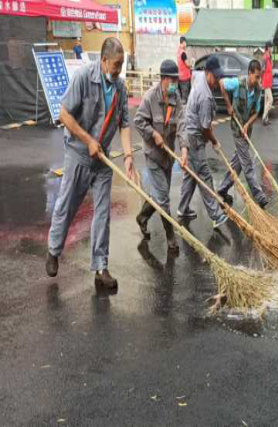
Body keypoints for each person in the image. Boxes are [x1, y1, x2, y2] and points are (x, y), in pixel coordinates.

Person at [46, 37, 135, 290]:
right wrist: (88, 141)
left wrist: (128, 156)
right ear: (104, 60)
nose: (119, 70)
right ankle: (53, 250)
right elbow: (64, 114)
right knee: (67, 205)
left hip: (102, 157)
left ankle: (100, 267)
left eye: (122, 64)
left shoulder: (119, 87)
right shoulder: (84, 77)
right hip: (79, 154)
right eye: (116, 64)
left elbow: (124, 123)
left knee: (103, 212)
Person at [134, 60, 185, 254]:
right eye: (172, 80)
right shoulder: (150, 97)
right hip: (153, 156)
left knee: (158, 195)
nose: (175, 84)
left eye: (176, 80)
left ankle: (142, 217)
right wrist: (153, 134)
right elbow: (138, 121)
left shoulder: (176, 98)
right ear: (163, 79)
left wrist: (184, 150)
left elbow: (182, 124)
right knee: (163, 198)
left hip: (168, 156)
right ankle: (170, 235)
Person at [176, 57, 229, 229]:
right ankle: (216, 215)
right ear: (207, 73)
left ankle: (182, 209)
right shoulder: (205, 96)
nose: (217, 80)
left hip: (191, 130)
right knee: (204, 176)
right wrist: (214, 142)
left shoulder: (199, 77)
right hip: (194, 137)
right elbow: (205, 129)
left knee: (191, 175)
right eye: (215, 76)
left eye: (218, 76)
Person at [217, 60, 269, 209]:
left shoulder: (258, 90)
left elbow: (256, 112)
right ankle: (259, 196)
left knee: (238, 162)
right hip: (237, 128)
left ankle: (222, 189)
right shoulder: (237, 83)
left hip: (247, 130)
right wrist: (228, 105)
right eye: (256, 76)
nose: (258, 80)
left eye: (259, 77)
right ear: (249, 73)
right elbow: (221, 83)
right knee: (247, 163)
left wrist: (247, 124)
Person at [262, 42, 274, 126]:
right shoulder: (265, 57)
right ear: (268, 48)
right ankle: (264, 117)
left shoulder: (269, 56)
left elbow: (270, 67)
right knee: (271, 99)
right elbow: (262, 69)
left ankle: (266, 119)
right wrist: (260, 80)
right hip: (266, 81)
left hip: (269, 81)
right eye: (271, 47)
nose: (272, 49)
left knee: (266, 101)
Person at [177, 36, 192, 102]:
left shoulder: (178, 51)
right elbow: (187, 64)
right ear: (183, 43)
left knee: (181, 95)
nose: (186, 45)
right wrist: (192, 64)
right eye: (185, 43)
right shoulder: (183, 53)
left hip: (180, 76)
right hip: (185, 77)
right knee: (185, 97)